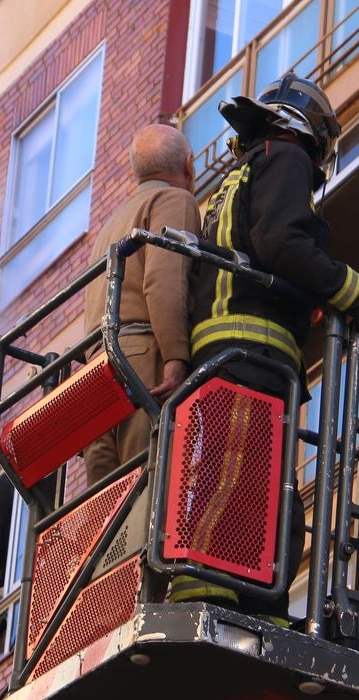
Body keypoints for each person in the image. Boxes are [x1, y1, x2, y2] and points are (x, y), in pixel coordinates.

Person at [168, 73, 359, 623]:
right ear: (311, 133)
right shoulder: (286, 157)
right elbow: (281, 242)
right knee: (249, 476)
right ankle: (219, 584)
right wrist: (355, 291)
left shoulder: (236, 177)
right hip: (254, 346)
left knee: (243, 474)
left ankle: (244, 592)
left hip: (223, 345)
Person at [82, 124, 201, 485]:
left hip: (97, 371)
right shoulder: (173, 201)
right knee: (149, 491)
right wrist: (176, 358)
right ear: (189, 165)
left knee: (109, 509)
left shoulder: (109, 225)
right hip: (142, 359)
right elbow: (164, 282)